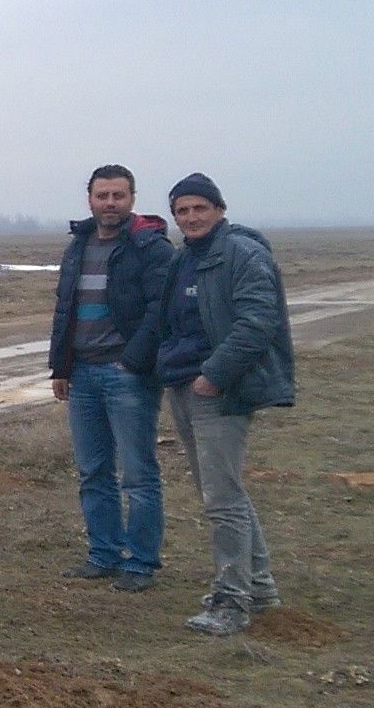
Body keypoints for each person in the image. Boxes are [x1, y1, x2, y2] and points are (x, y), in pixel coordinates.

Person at [123, 173, 296, 635]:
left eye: (200, 208)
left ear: (219, 210)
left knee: (222, 499)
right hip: (184, 385)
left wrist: (215, 376)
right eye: (182, 211)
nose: (191, 217)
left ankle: (231, 603)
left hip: (219, 391)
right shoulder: (185, 259)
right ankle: (259, 588)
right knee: (222, 493)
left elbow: (258, 322)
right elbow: (170, 321)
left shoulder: (242, 254)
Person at [47, 165, 175, 592]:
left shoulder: (149, 248)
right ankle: (103, 554)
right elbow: (65, 309)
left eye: (118, 195)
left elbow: (160, 311)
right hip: (83, 374)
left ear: (132, 199)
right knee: (93, 471)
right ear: (90, 199)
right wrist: (61, 367)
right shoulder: (78, 245)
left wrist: (132, 362)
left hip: (128, 376)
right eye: (102, 195)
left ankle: (140, 563)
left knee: (138, 475)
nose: (110, 203)